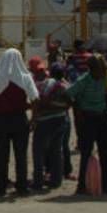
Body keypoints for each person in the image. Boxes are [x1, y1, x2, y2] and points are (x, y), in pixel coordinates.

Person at [0, 48, 38, 197]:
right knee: (21, 155)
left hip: (1, 120)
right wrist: (33, 119)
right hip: (20, 119)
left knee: (1, 155)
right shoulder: (25, 77)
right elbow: (35, 99)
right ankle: (22, 187)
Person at [66, 55, 107, 194]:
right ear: (93, 70)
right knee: (86, 152)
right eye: (100, 70)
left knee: (106, 152)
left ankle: (106, 183)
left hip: (102, 116)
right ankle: (82, 185)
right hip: (88, 118)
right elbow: (68, 93)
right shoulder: (84, 80)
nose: (102, 73)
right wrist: (78, 108)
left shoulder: (104, 78)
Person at [31, 61, 70, 191]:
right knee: (56, 151)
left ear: (51, 73)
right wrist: (61, 107)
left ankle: (38, 182)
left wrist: (39, 111)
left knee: (39, 152)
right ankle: (56, 180)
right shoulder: (66, 85)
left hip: (45, 121)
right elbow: (71, 102)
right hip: (61, 120)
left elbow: (43, 100)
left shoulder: (50, 83)